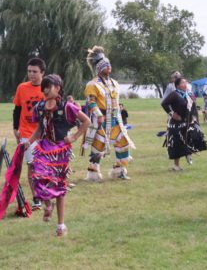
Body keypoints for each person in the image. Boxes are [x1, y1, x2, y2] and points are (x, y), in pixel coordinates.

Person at [27, 74, 90, 236]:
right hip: (44, 147)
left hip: (60, 151)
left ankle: (61, 225)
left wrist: (74, 137)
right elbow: (39, 129)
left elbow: (86, 121)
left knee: (59, 186)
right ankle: (48, 205)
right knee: (36, 177)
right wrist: (29, 141)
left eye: (49, 86)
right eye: (44, 87)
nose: (45, 90)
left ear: (58, 88)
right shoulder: (39, 106)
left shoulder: (67, 107)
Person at [82, 46, 136, 181]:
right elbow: (91, 102)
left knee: (123, 143)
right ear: (99, 68)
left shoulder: (115, 83)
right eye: (105, 65)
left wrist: (120, 112)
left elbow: (115, 100)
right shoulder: (92, 84)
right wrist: (99, 115)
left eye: (109, 64)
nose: (109, 67)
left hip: (115, 119)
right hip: (101, 119)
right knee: (98, 146)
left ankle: (119, 170)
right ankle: (93, 174)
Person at [12, 57, 46, 210]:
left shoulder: (48, 88)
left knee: (44, 166)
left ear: (42, 73)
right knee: (32, 165)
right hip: (26, 133)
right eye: (29, 71)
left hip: (44, 134)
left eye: (35, 72)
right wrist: (15, 128)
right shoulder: (22, 87)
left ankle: (45, 192)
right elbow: (17, 109)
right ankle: (36, 198)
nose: (31, 74)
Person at [161, 77, 207, 171]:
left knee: (193, 138)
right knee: (177, 143)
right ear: (178, 85)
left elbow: (193, 108)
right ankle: (176, 165)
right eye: (183, 82)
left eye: (186, 82)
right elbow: (164, 103)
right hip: (177, 123)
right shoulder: (174, 94)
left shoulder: (190, 94)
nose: (185, 84)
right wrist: (172, 114)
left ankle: (187, 153)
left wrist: (195, 119)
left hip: (189, 122)